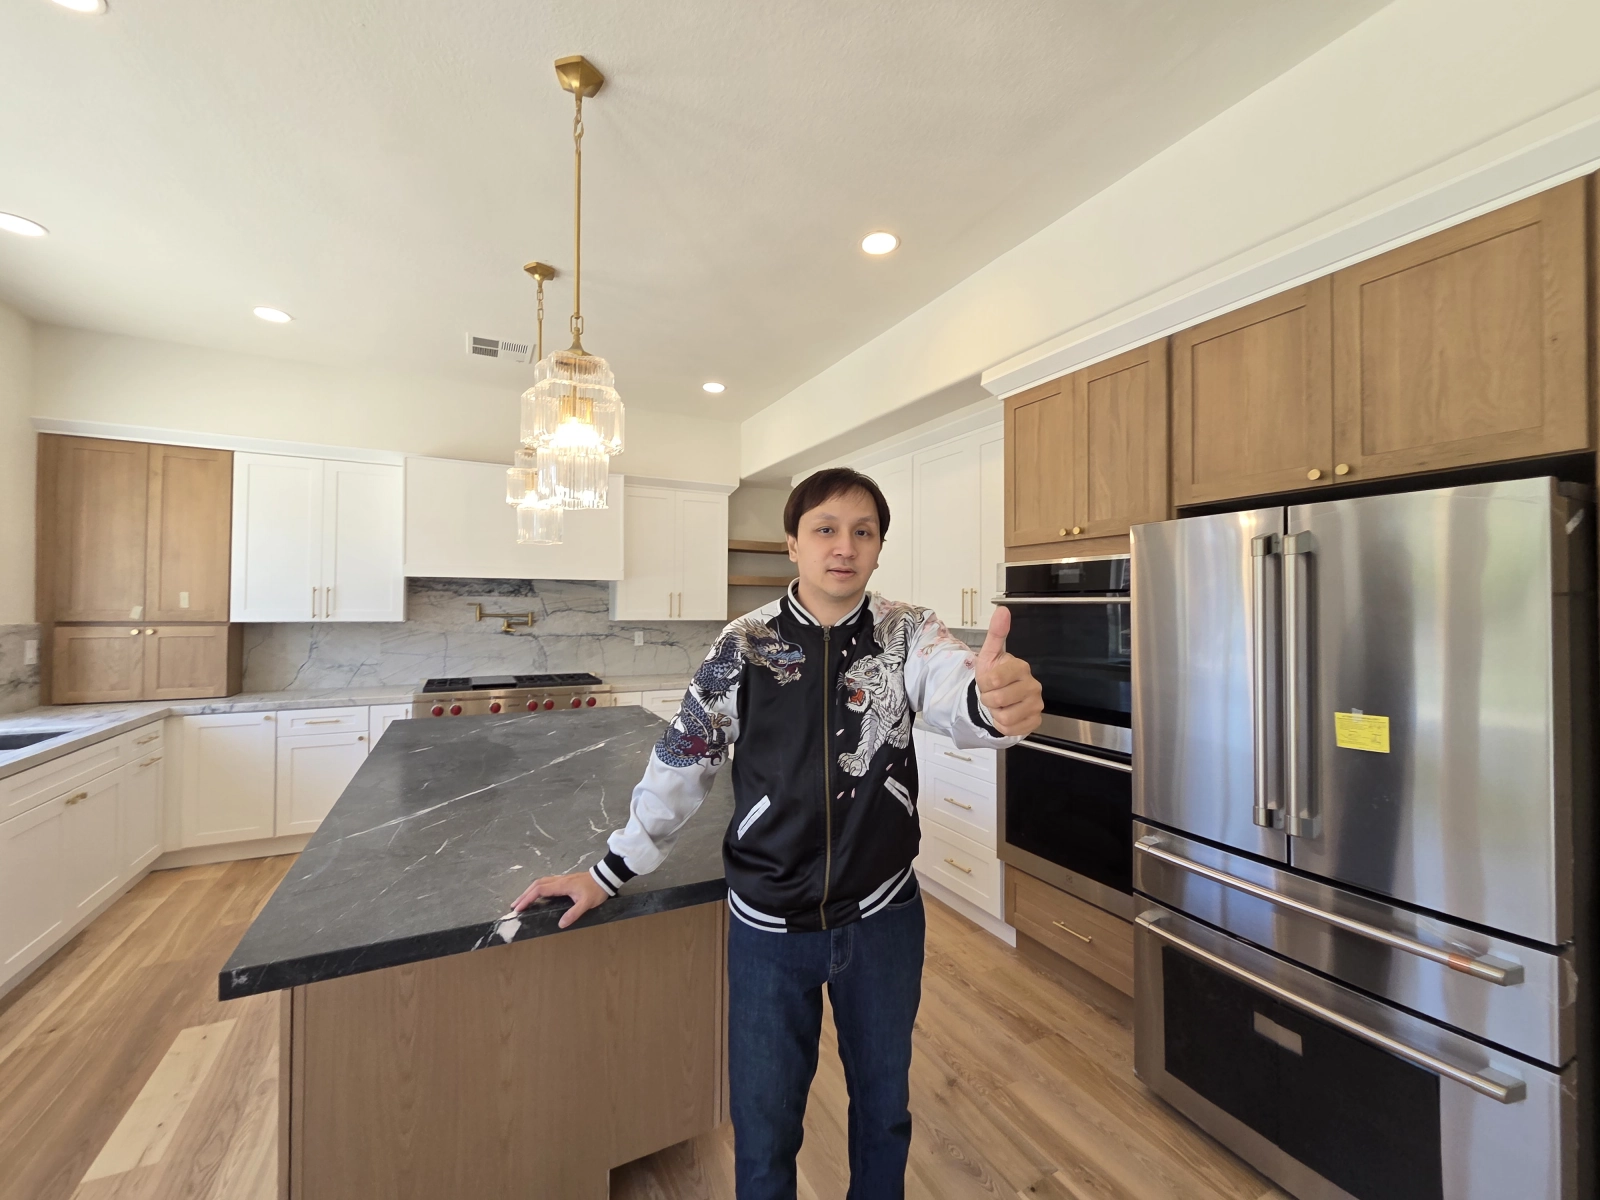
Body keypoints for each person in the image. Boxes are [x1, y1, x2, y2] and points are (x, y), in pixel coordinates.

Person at [513, 467, 1044, 1199]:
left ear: (879, 549)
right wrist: (608, 871)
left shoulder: (908, 634)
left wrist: (992, 702)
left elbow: (958, 690)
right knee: (764, 1134)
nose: (844, 546)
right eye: (825, 528)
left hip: (884, 918)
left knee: (885, 1113)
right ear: (792, 544)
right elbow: (682, 763)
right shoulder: (743, 645)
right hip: (768, 928)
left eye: (863, 532)